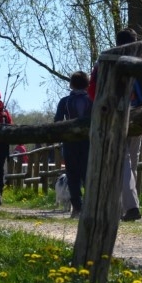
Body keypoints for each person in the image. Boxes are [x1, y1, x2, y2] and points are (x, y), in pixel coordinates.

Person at [88, 27, 142, 222]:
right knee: (131, 162)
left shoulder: (106, 61)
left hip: (114, 115)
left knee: (123, 161)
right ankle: (127, 205)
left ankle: (129, 206)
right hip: (138, 115)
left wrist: (103, 108)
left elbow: (93, 90)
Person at [54, 70, 92, 218]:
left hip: (70, 142)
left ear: (71, 84)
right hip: (88, 142)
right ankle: (90, 205)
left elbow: (57, 121)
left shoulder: (65, 101)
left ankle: (77, 207)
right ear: (87, 84)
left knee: (72, 175)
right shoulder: (92, 100)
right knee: (88, 174)